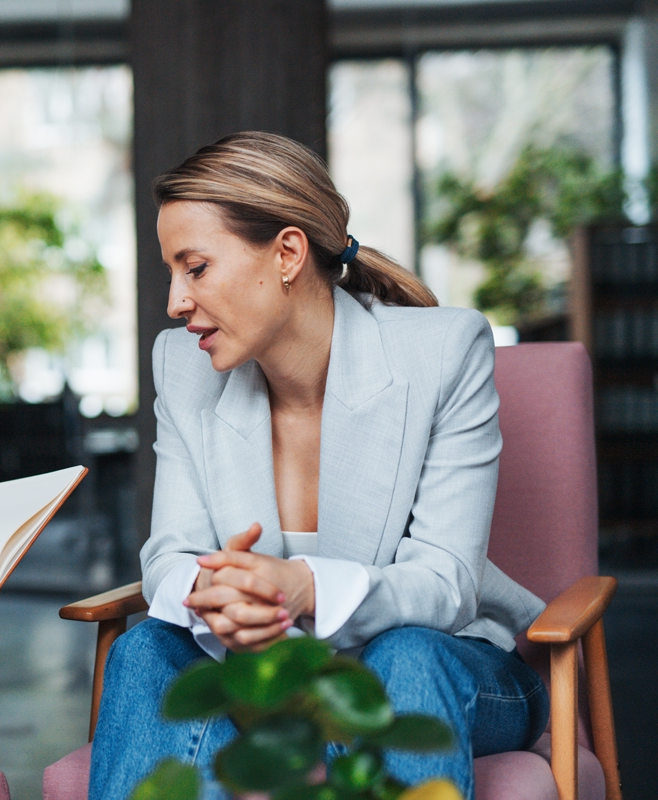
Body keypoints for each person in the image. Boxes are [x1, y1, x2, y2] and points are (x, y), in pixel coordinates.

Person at [88, 132, 549, 800]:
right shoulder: (181, 368)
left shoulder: (444, 352)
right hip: (267, 669)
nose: (175, 302)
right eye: (172, 273)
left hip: (451, 667)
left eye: (195, 268)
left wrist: (301, 589)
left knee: (407, 655)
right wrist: (221, 597)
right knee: (143, 651)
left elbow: (448, 582)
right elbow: (170, 556)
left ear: (287, 253)